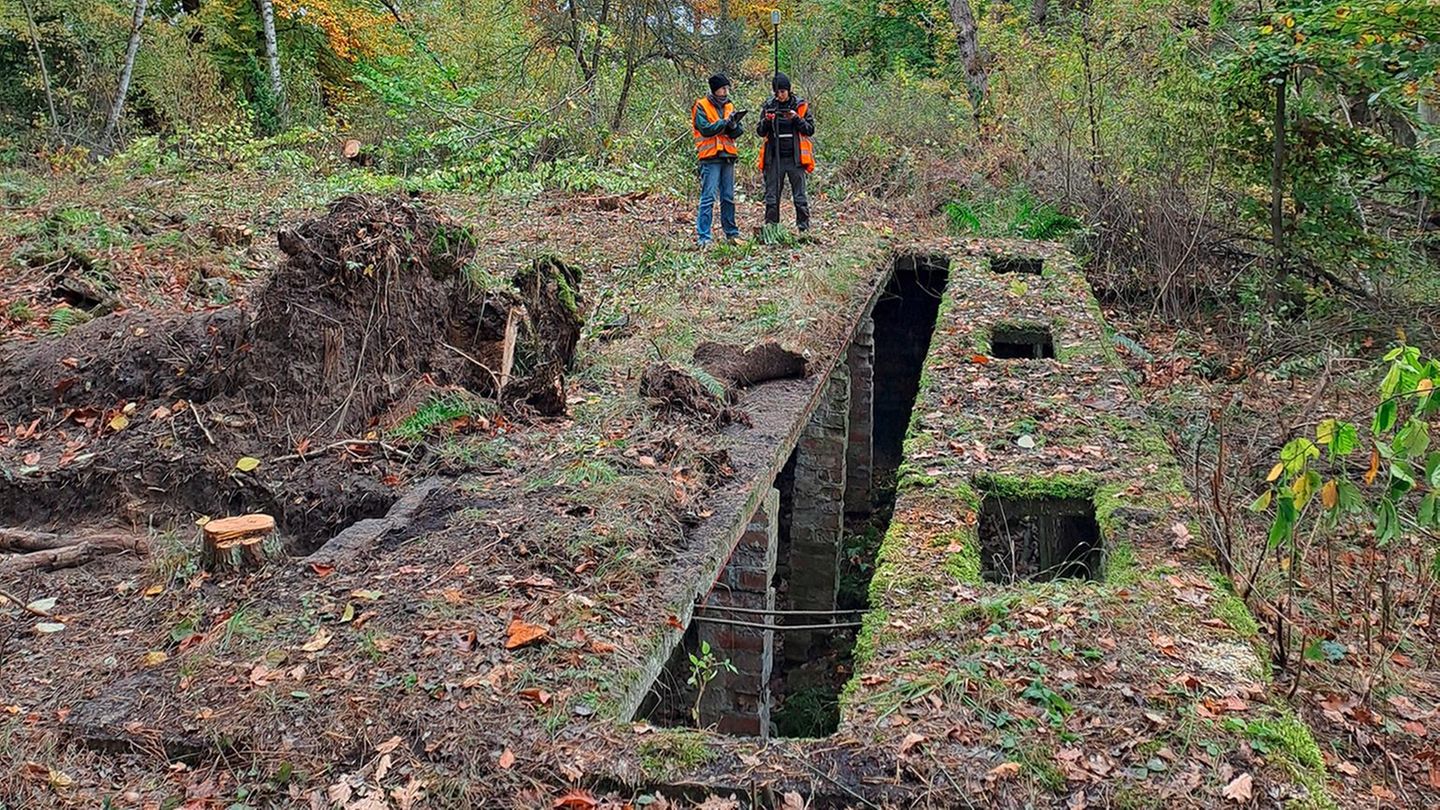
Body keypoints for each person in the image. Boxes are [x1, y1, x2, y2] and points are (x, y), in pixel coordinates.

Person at [756, 72, 815, 233]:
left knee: (800, 196)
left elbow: (810, 130)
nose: (780, 95)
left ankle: (803, 228)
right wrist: (767, 121)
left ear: (788, 90)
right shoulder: (769, 106)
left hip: (795, 159)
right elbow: (760, 131)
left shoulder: (800, 106)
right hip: (774, 158)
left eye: (782, 91)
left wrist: (796, 118)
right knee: (772, 196)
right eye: (777, 92)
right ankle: (772, 228)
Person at [692, 74, 745, 247]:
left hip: (728, 156)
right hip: (710, 157)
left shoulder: (730, 105)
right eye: (723, 88)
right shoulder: (701, 105)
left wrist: (733, 125)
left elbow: (738, 132)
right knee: (708, 197)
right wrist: (724, 123)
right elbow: (705, 129)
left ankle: (731, 233)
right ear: (715, 89)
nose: (726, 91)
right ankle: (704, 237)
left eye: (727, 88)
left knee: (728, 197)